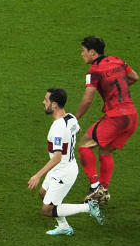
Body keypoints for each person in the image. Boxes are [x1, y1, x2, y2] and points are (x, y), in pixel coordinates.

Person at [28, 87, 104, 235]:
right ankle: (64, 227)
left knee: (47, 210)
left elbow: (57, 157)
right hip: (62, 167)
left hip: (63, 171)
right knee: (43, 194)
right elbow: (77, 130)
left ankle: (89, 207)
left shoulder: (57, 128)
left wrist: (37, 175)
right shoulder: (70, 117)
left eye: (46, 100)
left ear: (54, 104)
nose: (43, 102)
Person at [74, 36, 140, 204]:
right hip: (132, 116)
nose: (82, 54)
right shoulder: (118, 61)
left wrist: (76, 118)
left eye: (83, 51)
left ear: (93, 52)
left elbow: (88, 99)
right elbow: (134, 77)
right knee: (104, 151)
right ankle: (103, 191)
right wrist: (116, 90)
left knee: (83, 145)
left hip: (116, 117)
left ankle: (95, 186)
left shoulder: (93, 72)